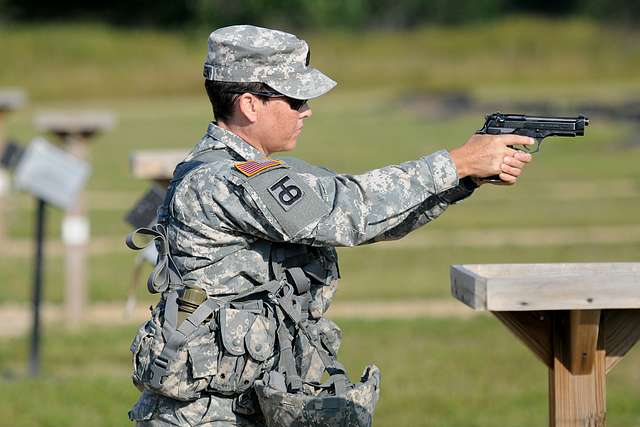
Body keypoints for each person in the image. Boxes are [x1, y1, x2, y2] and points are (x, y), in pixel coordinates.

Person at [127, 25, 533, 426]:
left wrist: (463, 180)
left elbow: (370, 222)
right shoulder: (223, 179)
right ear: (250, 105)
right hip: (205, 414)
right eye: (296, 98)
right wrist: (457, 162)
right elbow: (350, 211)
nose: (307, 110)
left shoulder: (249, 171)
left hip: (244, 402)